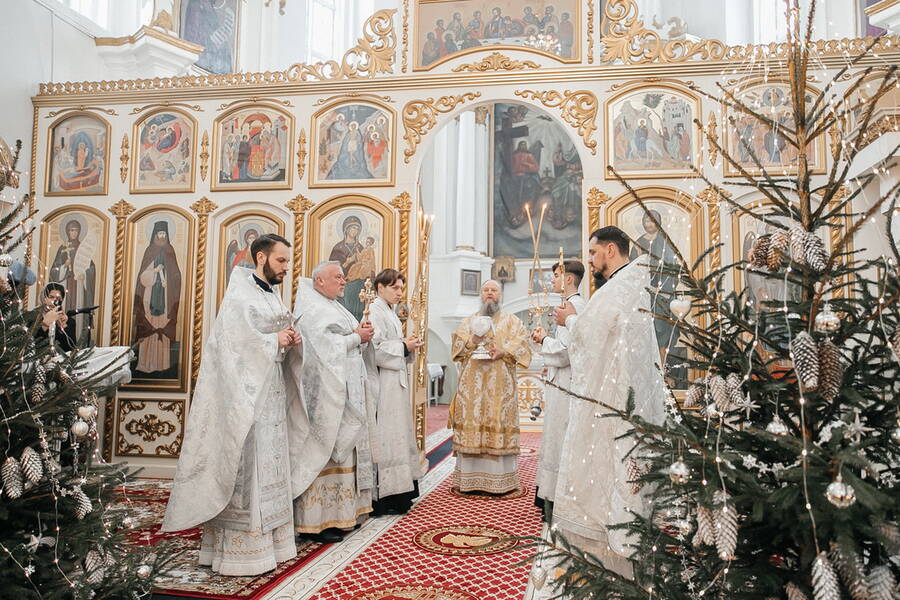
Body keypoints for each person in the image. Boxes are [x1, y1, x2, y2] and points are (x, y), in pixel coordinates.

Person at [161, 233, 302, 576]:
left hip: (270, 396)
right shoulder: (240, 294)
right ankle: (242, 553)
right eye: (281, 260)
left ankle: (273, 546)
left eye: (287, 261)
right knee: (248, 467)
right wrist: (273, 340)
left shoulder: (271, 294)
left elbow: (272, 336)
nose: (286, 267)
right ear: (260, 258)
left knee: (270, 467)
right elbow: (234, 344)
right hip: (246, 399)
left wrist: (290, 340)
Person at [552, 227, 667, 576]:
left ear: (611, 250)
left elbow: (587, 338)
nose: (589, 259)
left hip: (613, 398)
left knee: (607, 468)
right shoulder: (631, 284)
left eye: (592, 252)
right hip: (623, 392)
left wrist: (568, 319)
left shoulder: (619, 288)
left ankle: (612, 558)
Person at [290, 261, 378, 544]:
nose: (343, 282)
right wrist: (355, 337)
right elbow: (321, 349)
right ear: (319, 282)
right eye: (338, 277)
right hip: (325, 397)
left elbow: (347, 341)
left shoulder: (333, 306)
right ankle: (317, 522)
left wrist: (360, 335)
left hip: (344, 390)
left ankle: (343, 514)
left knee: (344, 452)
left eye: (342, 277)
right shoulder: (314, 310)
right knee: (325, 452)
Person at [448, 280, 531, 494]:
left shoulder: (512, 322)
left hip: (499, 390)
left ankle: (499, 482)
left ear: (500, 294)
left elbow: (523, 344)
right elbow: (457, 349)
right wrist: (473, 340)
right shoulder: (469, 322)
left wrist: (503, 351)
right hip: (472, 391)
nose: (490, 293)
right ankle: (469, 481)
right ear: (481, 295)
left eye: (494, 290)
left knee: (498, 425)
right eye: (486, 290)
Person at [529, 260, 586, 522]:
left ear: (569, 279)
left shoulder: (574, 307)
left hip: (567, 386)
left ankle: (559, 501)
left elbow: (565, 352)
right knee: (553, 439)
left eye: (556, 276)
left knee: (560, 440)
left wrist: (543, 340)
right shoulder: (568, 306)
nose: (552, 281)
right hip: (560, 382)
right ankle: (549, 497)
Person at [368, 268, 424, 515]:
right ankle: (386, 497)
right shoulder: (374, 311)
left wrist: (407, 347)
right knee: (387, 436)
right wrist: (403, 346)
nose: (400, 292)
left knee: (397, 434)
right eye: (395, 288)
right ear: (380, 288)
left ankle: (401, 492)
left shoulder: (389, 312)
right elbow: (374, 350)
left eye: (401, 288)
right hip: (383, 385)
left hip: (394, 383)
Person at [133, 221, 182, 375]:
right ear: (155, 235)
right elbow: (142, 277)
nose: (161, 236)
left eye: (164, 234)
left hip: (166, 298)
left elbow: (176, 274)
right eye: (159, 234)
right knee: (150, 327)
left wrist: (170, 278)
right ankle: (146, 363)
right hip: (149, 297)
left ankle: (162, 365)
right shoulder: (149, 251)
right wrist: (154, 271)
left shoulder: (170, 251)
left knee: (162, 325)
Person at [34, 283, 74, 352]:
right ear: (44, 298)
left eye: (58, 298)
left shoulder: (69, 321)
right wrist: (45, 325)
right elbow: (31, 343)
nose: (54, 301)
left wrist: (63, 326)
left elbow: (71, 349)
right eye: (51, 297)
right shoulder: (33, 317)